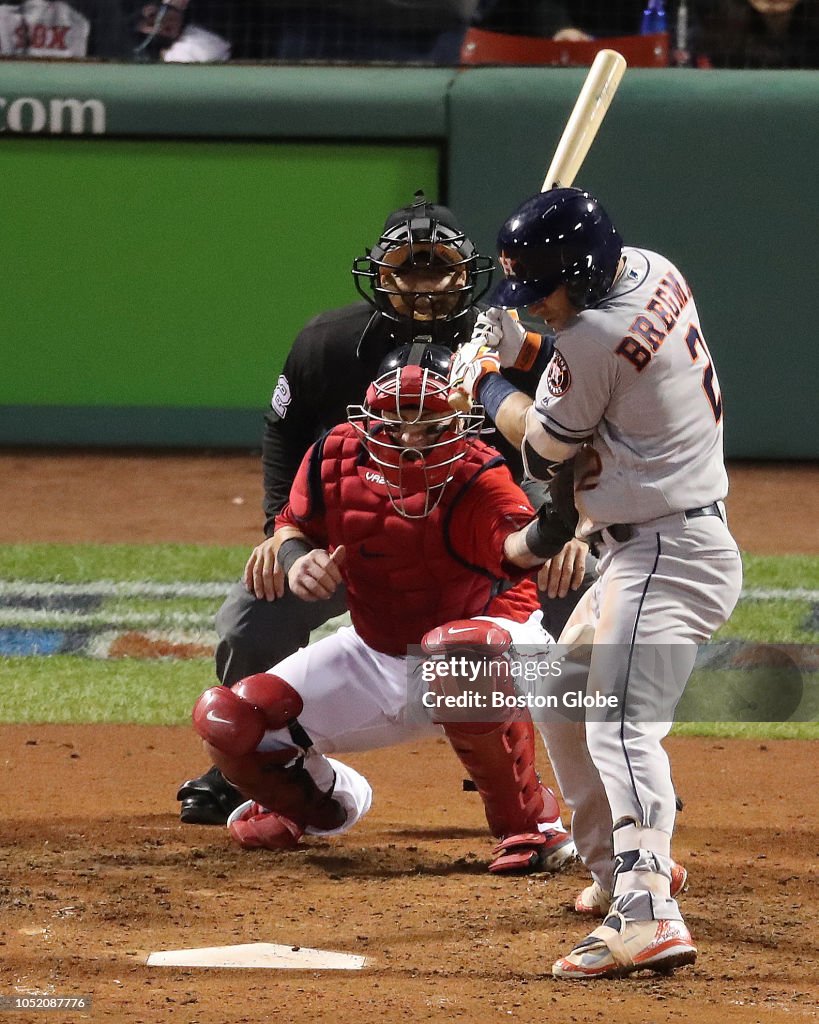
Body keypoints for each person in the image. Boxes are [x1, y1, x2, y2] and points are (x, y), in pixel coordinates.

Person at [177, 190, 595, 826]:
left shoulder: (510, 345)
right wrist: (283, 535)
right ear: (381, 274)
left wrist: (570, 527)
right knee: (250, 617)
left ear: (467, 273)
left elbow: (575, 440)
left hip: (490, 515)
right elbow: (285, 436)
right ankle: (260, 767)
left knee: (586, 588)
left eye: (438, 269)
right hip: (360, 540)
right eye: (407, 270)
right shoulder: (327, 344)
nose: (423, 287)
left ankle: (609, 770)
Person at [449, 187, 742, 978]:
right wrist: (521, 354)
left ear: (578, 272)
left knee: (616, 724)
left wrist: (482, 382)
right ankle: (625, 869)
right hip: (652, 546)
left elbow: (545, 449)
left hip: (664, 555)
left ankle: (646, 916)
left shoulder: (589, 339)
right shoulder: (650, 271)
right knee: (562, 694)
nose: (537, 305)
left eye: (541, 289)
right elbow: (596, 370)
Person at [190, 347, 579, 873]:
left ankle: (532, 825)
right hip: (378, 650)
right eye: (396, 421)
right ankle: (320, 801)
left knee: (460, 652)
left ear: (458, 419)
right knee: (232, 719)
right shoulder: (333, 454)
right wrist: (298, 559)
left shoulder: (478, 473)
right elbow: (292, 525)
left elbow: (515, 549)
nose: (410, 438)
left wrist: (553, 527)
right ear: (370, 416)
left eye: (428, 424)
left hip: (499, 648)